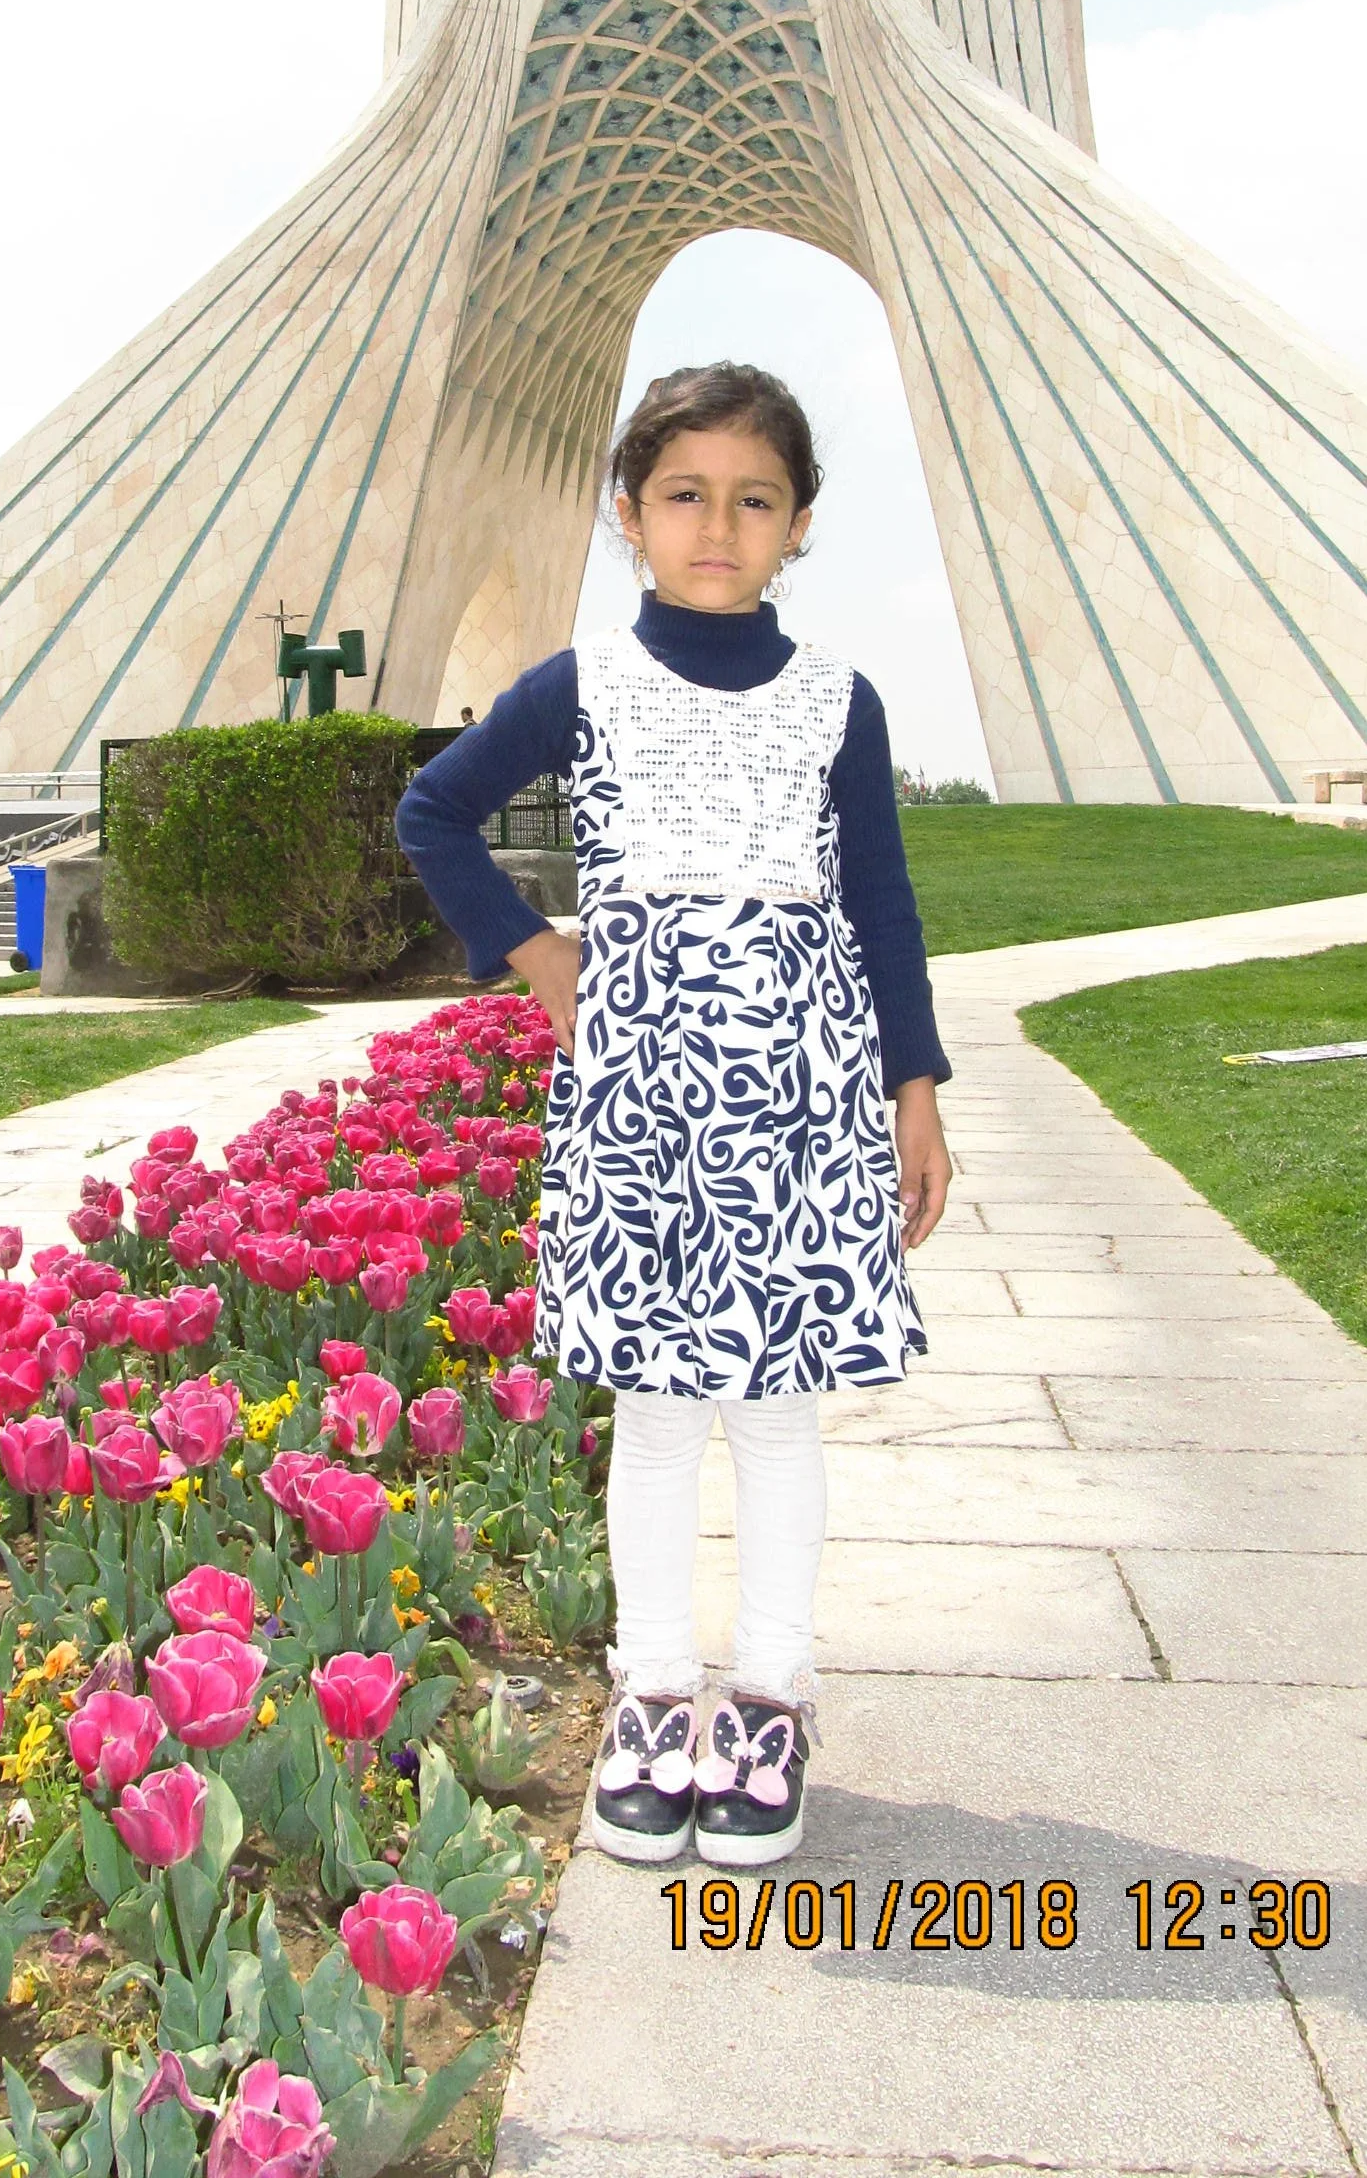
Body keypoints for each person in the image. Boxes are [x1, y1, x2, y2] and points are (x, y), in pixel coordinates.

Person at [396, 361, 952, 1868]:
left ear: (800, 524)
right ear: (629, 515)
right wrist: (540, 956)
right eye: (685, 495)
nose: (719, 526)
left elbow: (883, 903)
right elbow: (432, 812)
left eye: (753, 500)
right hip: (641, 1098)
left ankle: (768, 1695)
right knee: (651, 1416)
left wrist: (913, 1089)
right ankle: (650, 1692)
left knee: (775, 1412)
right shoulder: (581, 685)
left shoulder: (839, 701)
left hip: (801, 1101)